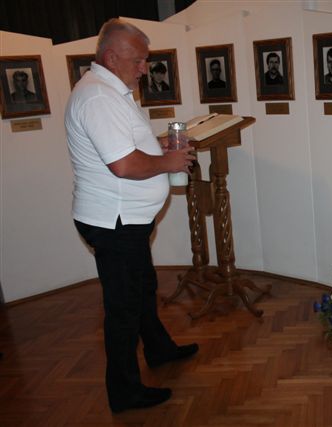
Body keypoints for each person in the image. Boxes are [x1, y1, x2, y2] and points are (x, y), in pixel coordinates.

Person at [65, 18, 198, 414]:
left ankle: (159, 349)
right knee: (122, 309)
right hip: (114, 221)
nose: (144, 68)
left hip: (125, 220)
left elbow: (126, 146)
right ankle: (124, 392)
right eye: (138, 60)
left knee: (141, 289)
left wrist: (157, 147)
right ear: (111, 57)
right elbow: (122, 165)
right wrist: (168, 161)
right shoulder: (98, 97)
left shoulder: (111, 90)